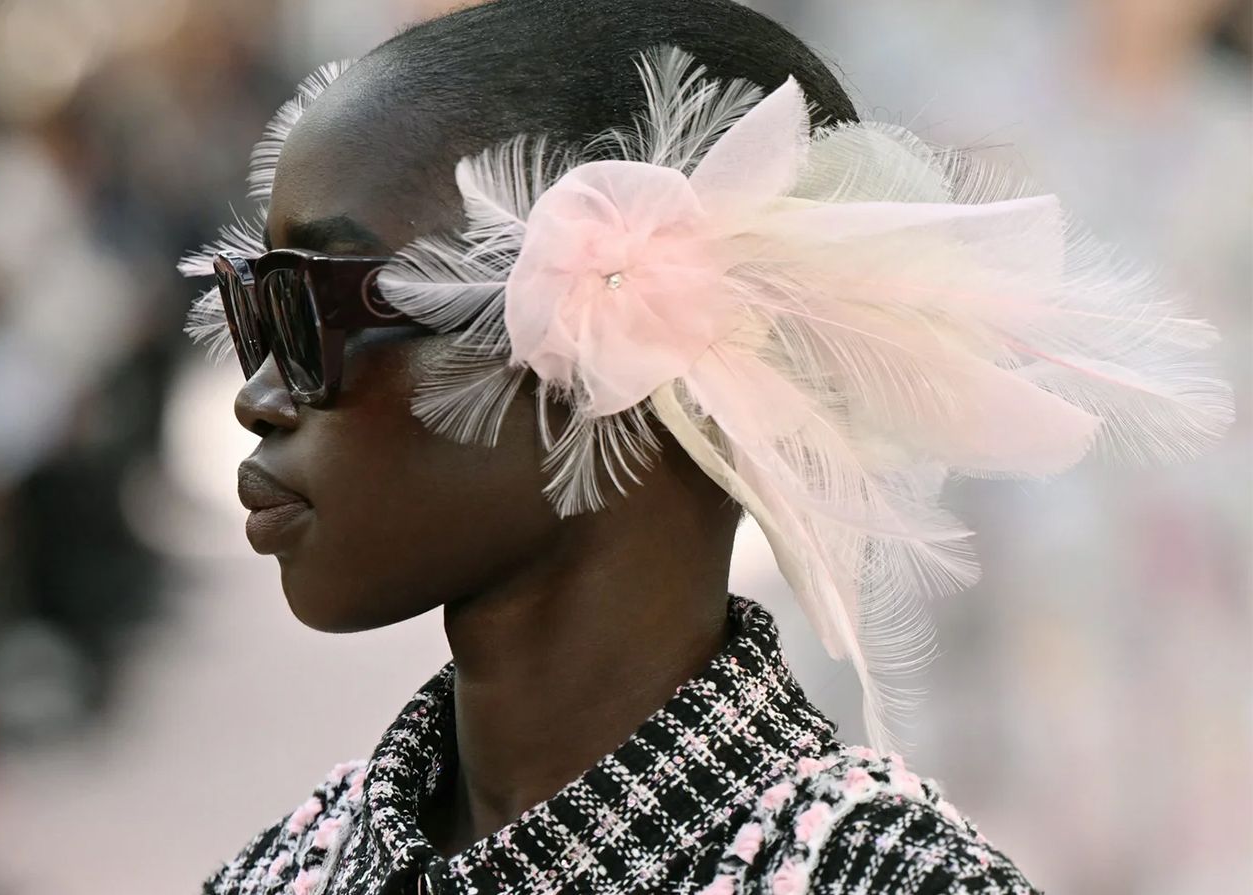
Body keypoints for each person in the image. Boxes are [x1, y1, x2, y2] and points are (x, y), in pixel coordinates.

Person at [178, 1, 1234, 893]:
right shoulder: (286, 870)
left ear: (612, 342)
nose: (258, 395)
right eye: (246, 313)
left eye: (306, 311)